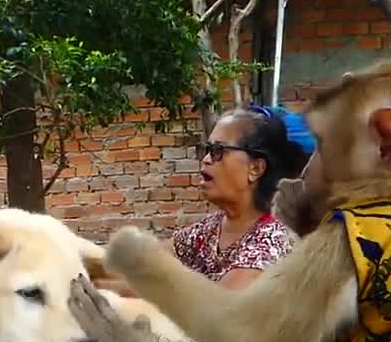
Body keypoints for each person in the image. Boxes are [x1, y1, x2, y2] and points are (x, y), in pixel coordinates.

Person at [96, 105, 308, 295]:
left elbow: (218, 311)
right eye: (207, 150)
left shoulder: (272, 240)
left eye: (218, 151)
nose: (206, 159)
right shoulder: (207, 231)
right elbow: (141, 266)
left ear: (255, 168)